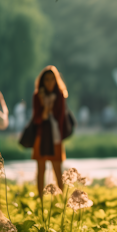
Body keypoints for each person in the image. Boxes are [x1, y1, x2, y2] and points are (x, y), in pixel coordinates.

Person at [32, 65, 68, 197]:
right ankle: (40, 199)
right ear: (42, 81)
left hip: (55, 136)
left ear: (56, 80)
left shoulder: (60, 96)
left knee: (58, 169)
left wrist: (49, 107)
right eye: (47, 79)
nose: (49, 82)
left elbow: (61, 119)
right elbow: (37, 118)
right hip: (40, 135)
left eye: (52, 79)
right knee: (40, 169)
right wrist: (44, 105)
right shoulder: (37, 96)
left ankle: (62, 200)